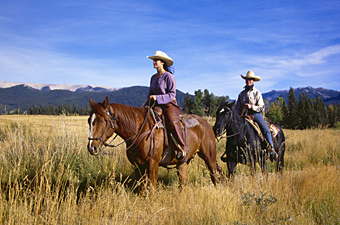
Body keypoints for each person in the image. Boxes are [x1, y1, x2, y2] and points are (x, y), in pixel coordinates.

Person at [146, 50, 187, 161]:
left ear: (162, 62)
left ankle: (181, 147)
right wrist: (146, 104)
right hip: (155, 105)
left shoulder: (168, 76)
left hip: (169, 104)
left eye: (156, 60)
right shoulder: (153, 78)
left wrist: (158, 98)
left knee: (173, 122)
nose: (154, 62)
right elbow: (150, 93)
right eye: (153, 60)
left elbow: (172, 94)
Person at [234, 71, 278, 161]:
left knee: (265, 129)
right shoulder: (241, 94)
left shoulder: (257, 93)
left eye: (250, 79)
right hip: (244, 115)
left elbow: (262, 108)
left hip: (255, 114)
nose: (248, 81)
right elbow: (237, 108)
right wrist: (236, 117)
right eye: (247, 79)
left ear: (253, 81)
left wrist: (251, 106)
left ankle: (271, 149)